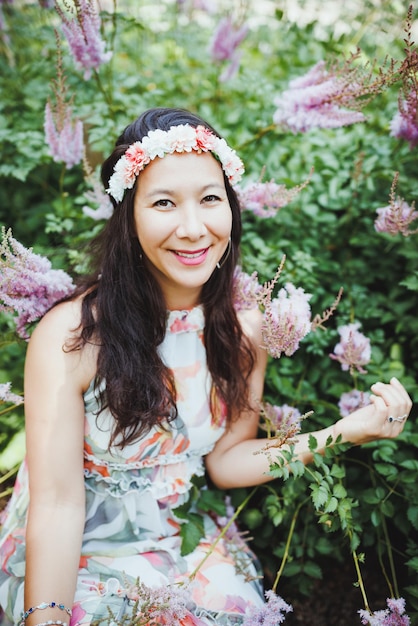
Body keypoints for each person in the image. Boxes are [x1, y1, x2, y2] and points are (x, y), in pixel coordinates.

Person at [0, 107, 412, 626]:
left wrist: (343, 433)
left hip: (182, 533)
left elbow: (226, 461)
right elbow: (57, 506)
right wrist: (48, 617)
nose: (193, 229)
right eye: (164, 203)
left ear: (232, 208)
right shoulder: (73, 336)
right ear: (128, 217)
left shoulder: (244, 332)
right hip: (75, 546)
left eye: (210, 199)